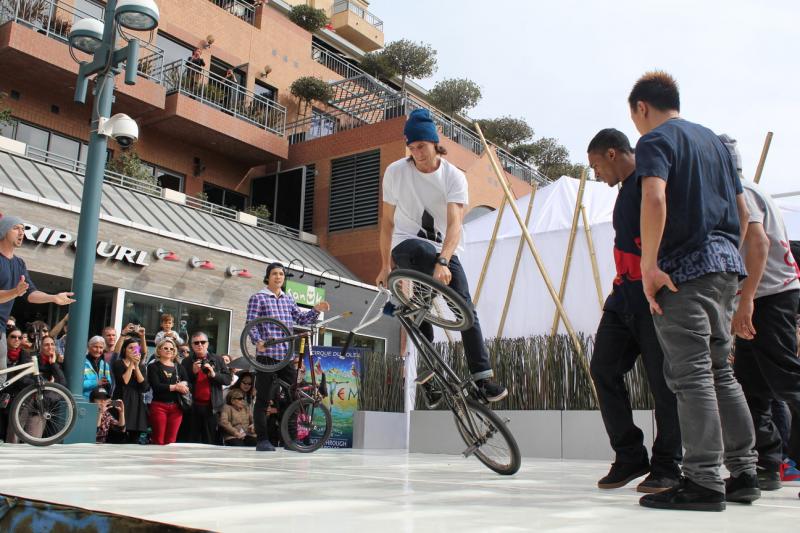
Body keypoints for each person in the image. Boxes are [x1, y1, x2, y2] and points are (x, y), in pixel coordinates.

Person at [629, 71, 758, 511]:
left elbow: (654, 198)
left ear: (641, 108)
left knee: (693, 375)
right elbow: (742, 213)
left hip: (682, 271)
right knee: (722, 372)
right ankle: (744, 473)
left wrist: (649, 266)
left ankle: (703, 481)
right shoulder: (717, 145)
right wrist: (724, 255)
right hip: (725, 270)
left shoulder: (656, 141)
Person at [375, 109, 507, 402]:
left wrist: (445, 260)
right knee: (421, 251)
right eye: (411, 147)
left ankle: (482, 380)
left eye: (421, 146)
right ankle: (420, 298)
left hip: (442, 250)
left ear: (435, 144)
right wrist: (385, 265)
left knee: (466, 309)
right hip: (406, 245)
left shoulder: (453, 177)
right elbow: (386, 222)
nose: (416, 153)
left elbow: (455, 223)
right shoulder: (396, 172)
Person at [586, 128, 682, 493]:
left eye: (596, 166)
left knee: (663, 384)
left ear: (612, 154)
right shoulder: (626, 189)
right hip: (622, 295)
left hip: (653, 295)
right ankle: (629, 455)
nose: (597, 175)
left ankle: (668, 465)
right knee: (603, 368)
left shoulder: (649, 178)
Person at [720, 135, 800, 492]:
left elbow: (758, 243)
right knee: (753, 386)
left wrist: (747, 300)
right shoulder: (740, 189)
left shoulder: (742, 192)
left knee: (787, 381)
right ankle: (767, 463)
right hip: (759, 297)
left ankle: (783, 460)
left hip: (770, 296)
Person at [245, 262, 329, 452]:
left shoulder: (288, 299)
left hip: (286, 357)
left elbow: (301, 319)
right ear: (268, 277)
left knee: (293, 397)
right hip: (267, 356)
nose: (278, 277)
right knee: (264, 399)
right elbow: (251, 323)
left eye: (281, 274)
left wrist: (316, 309)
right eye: (274, 273)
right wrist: (258, 341)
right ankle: (263, 440)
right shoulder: (258, 298)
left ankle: (290, 440)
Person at [0, 214, 74, 387]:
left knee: (1, 380)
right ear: (3, 231)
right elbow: (16, 292)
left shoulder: (19, 264)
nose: (21, 232)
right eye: (16, 228)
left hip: (1, 327)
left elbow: (30, 293)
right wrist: (14, 292)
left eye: (24, 229)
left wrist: (53, 298)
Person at [180, 331, 231, 444]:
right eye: (196, 343)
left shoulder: (218, 359)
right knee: (192, 440)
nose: (200, 345)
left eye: (203, 342)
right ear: (192, 345)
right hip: (193, 406)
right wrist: (193, 372)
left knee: (209, 440)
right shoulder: (186, 361)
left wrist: (214, 374)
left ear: (207, 344)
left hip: (211, 407)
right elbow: (183, 382)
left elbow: (228, 380)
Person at [147, 338, 189, 445]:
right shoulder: (153, 366)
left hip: (176, 407)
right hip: (159, 406)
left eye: (171, 348)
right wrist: (175, 387)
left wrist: (184, 385)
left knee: (171, 441)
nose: (168, 350)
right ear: (159, 350)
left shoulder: (180, 367)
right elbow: (156, 386)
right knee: (158, 440)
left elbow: (188, 383)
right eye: (165, 348)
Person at [112, 337, 150, 443]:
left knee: (135, 436)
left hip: (137, 401)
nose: (134, 350)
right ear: (124, 350)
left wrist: (136, 367)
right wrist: (131, 365)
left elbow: (144, 386)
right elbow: (124, 382)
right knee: (119, 433)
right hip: (122, 398)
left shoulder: (141, 366)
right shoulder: (118, 363)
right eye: (130, 348)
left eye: (136, 348)